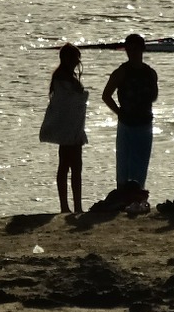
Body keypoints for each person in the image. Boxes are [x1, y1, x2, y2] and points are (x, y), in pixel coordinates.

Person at [101, 33, 159, 190]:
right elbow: (106, 95)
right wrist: (119, 112)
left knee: (140, 166)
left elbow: (154, 97)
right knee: (124, 166)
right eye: (129, 49)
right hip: (126, 123)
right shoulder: (121, 72)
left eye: (135, 49)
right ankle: (122, 197)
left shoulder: (150, 73)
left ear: (142, 49)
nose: (132, 53)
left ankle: (137, 196)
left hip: (145, 123)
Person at [38, 43, 89, 214]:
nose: (77, 61)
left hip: (70, 128)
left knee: (68, 166)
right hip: (70, 130)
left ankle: (69, 206)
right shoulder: (63, 78)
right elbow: (67, 102)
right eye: (75, 58)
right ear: (67, 59)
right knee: (72, 167)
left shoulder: (62, 77)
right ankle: (71, 206)